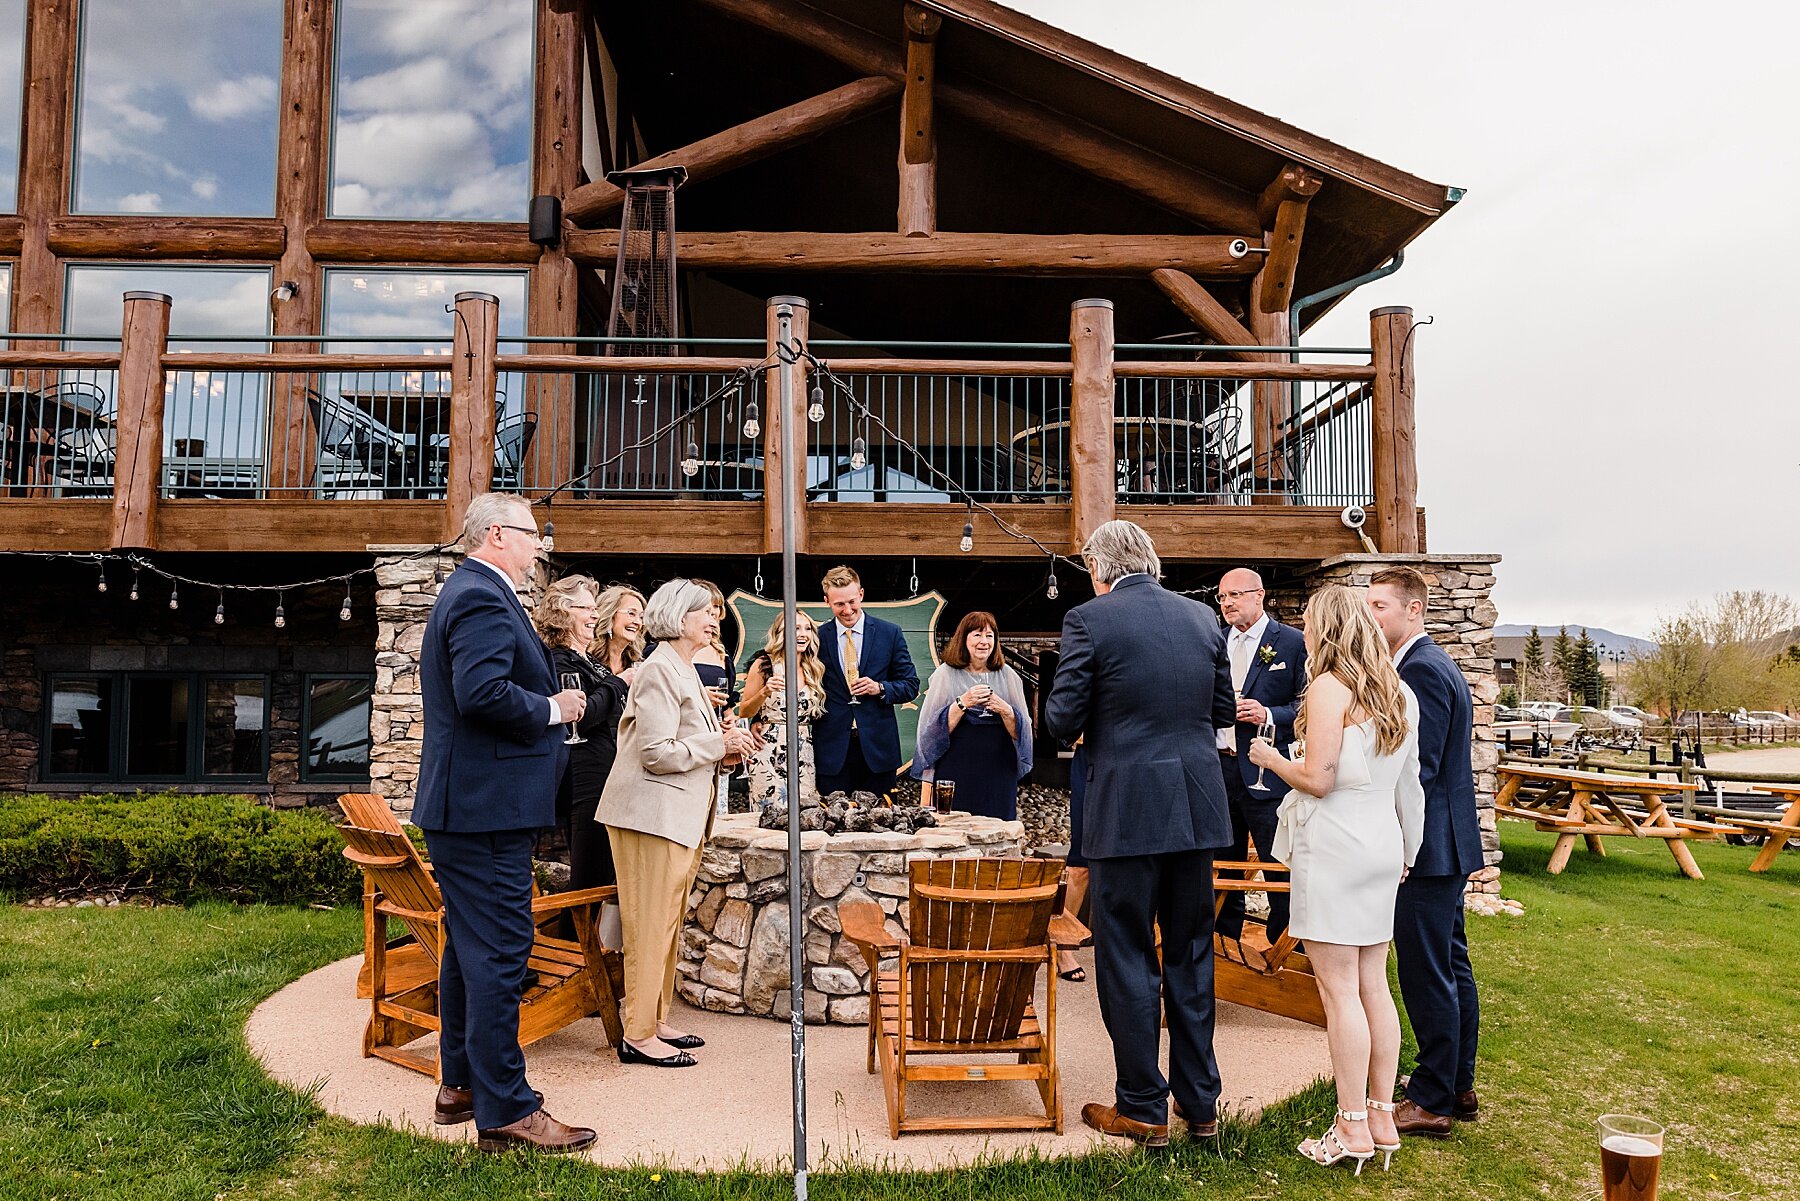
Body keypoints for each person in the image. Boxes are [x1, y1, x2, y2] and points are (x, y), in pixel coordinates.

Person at [1043, 519, 1236, 1149]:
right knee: (1190, 951)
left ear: (1099, 570)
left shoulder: (1089, 621)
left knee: (1125, 953)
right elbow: (1222, 712)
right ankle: (1201, 1104)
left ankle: (1143, 1107)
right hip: (1193, 808)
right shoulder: (1203, 619)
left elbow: (1061, 718)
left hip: (1124, 810)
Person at [412, 493, 596, 1153]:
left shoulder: (474, 593)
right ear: (497, 533)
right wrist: (554, 707)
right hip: (484, 808)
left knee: (470, 948)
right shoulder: (481, 595)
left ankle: (460, 1084)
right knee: (500, 952)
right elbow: (482, 692)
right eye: (531, 533)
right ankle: (509, 1110)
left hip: (473, 804)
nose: (539, 545)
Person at [1247, 585, 1424, 1173]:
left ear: (1325, 630)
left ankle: (1350, 1125)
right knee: (1374, 982)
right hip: (1381, 844)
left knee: (1339, 990)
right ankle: (1380, 1117)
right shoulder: (1399, 691)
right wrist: (1408, 850)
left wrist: (1271, 760)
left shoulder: (1329, 689)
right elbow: (1407, 785)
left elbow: (1319, 779)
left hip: (1337, 847)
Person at [598, 579, 759, 1068]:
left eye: (715, 612)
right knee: (648, 924)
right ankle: (638, 1035)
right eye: (705, 612)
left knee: (667, 923)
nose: (715, 619)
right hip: (651, 818)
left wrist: (724, 753)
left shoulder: (683, 668)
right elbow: (654, 753)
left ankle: (657, 1018)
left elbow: (687, 748)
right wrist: (719, 746)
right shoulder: (658, 671)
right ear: (677, 616)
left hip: (679, 818)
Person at [1366, 566, 1484, 1139]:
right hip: (1444, 842)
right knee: (1450, 964)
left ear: (1415, 609)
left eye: (1382, 605)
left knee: (1426, 971)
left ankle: (1433, 1097)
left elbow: (1421, 768)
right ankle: (1457, 1082)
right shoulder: (1418, 665)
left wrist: (1399, 841)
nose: (1372, 614)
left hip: (1429, 847)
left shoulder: (1422, 671)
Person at [1213, 567, 1309, 959]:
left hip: (1268, 772)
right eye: (1222, 597)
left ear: (1260, 595)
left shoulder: (1290, 642)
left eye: (1235, 595)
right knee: (1223, 862)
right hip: (1219, 769)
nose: (1228, 603)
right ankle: (1224, 946)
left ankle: (1287, 947)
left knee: (1278, 861)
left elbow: (1306, 704)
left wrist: (1268, 714)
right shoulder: (1214, 641)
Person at [537, 578, 644, 891]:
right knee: (589, 880)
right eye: (586, 607)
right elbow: (580, 718)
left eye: (596, 608)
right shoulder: (559, 659)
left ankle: (595, 938)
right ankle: (576, 939)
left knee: (606, 874)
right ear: (563, 613)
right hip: (586, 781)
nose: (595, 614)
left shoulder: (584, 660)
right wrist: (620, 681)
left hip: (606, 777)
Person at [914, 611, 1034, 820]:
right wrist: (963, 703)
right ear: (964, 639)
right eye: (977, 635)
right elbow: (930, 730)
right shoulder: (945, 674)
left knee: (998, 826)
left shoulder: (1009, 676)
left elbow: (1022, 732)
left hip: (998, 768)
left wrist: (1006, 710)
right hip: (956, 767)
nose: (984, 642)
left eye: (989, 636)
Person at [814, 565, 920, 797]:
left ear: (861, 594)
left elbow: (911, 685)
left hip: (878, 751)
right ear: (827, 601)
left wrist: (879, 687)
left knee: (883, 824)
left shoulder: (889, 633)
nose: (847, 610)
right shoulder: (817, 637)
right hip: (832, 752)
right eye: (839, 604)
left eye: (852, 601)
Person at [738, 610, 826, 808]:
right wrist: (765, 691)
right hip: (768, 747)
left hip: (803, 749)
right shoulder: (765, 664)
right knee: (768, 812)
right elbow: (744, 711)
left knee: (804, 813)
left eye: (807, 628)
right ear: (781, 632)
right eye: (795, 628)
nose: (803, 634)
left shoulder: (813, 667)